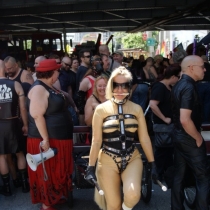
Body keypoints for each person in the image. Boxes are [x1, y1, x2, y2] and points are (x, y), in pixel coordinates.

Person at [85, 66, 157, 210]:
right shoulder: (101, 109)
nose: (119, 90)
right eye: (116, 85)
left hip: (132, 157)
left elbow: (144, 138)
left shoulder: (137, 108)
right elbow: (97, 140)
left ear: (130, 87)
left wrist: (152, 162)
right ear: (110, 86)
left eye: (124, 86)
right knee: (113, 205)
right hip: (107, 159)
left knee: (133, 195)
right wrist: (91, 166)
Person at [27, 59, 74, 210]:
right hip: (48, 139)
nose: (59, 73)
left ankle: (52, 198)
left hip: (58, 138)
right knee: (48, 172)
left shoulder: (48, 86)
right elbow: (36, 115)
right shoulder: (39, 89)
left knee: (56, 171)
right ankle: (46, 204)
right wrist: (45, 140)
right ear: (52, 72)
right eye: (57, 70)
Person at [171, 55, 210, 210]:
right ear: (191, 68)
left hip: (178, 135)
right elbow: (185, 119)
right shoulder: (188, 86)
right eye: (202, 66)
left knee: (179, 177)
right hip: (188, 137)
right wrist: (198, 137)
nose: (205, 69)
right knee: (203, 177)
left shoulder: (180, 85)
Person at [0, 60, 29, 196]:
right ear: (5, 69)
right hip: (14, 123)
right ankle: (24, 185)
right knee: (19, 153)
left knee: (2, 156)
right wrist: (25, 124)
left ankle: (7, 188)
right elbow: (23, 108)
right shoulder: (15, 84)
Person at [149, 64, 181, 181]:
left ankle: (165, 175)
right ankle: (157, 175)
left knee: (167, 151)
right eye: (178, 77)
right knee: (162, 151)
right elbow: (153, 105)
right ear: (173, 77)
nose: (178, 80)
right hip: (163, 125)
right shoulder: (160, 87)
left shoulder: (168, 87)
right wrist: (164, 118)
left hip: (168, 125)